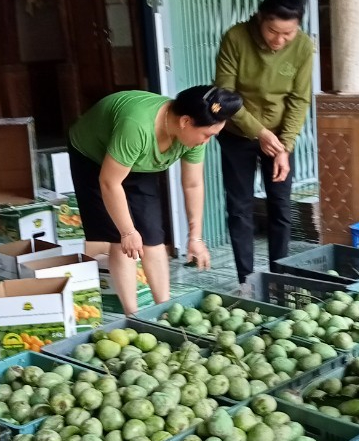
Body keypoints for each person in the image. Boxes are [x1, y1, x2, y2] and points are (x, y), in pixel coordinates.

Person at [68, 86, 243, 314]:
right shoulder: (137, 127)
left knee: (152, 236)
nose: (207, 141)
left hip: (138, 159)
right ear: (185, 121)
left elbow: (193, 184)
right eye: (207, 135)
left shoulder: (192, 136)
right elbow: (110, 183)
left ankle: (165, 309)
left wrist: (196, 237)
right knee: (121, 241)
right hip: (94, 156)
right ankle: (133, 316)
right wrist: (128, 232)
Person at [214, 0, 315, 295]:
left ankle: (280, 278)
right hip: (237, 134)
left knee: (281, 208)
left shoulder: (303, 47)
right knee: (240, 208)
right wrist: (260, 132)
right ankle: (246, 280)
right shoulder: (236, 38)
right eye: (274, 31)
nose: (280, 40)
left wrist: (284, 147)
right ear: (260, 18)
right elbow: (224, 97)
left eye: (288, 33)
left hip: (280, 139)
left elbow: (299, 100)